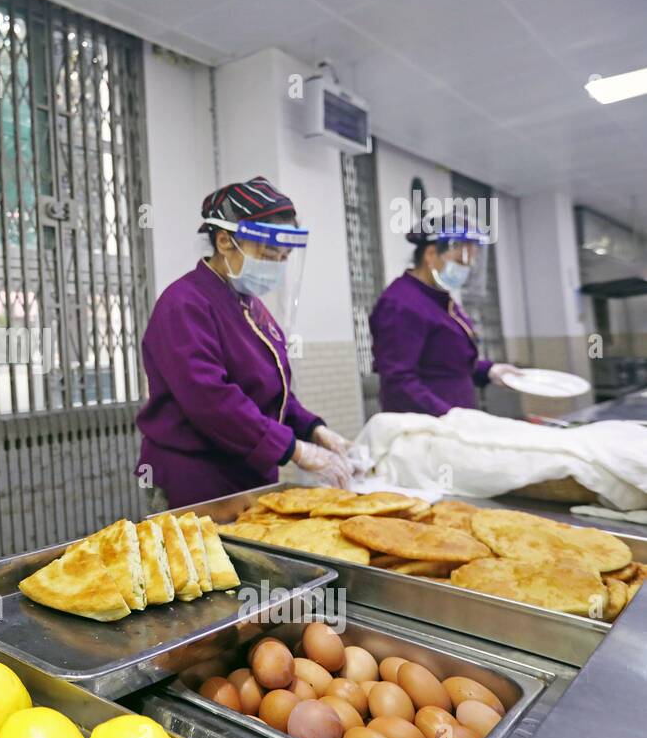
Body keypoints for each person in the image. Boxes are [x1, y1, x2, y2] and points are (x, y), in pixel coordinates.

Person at [136, 177, 352, 511]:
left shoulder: (250, 305)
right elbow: (212, 400)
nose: (276, 267)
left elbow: (271, 390)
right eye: (268, 255)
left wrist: (314, 430)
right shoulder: (184, 304)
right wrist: (294, 450)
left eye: (283, 258)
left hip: (248, 475)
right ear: (224, 241)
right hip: (199, 480)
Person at [370, 221, 520, 416]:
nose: (465, 270)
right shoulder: (401, 304)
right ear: (431, 255)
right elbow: (399, 382)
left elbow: (445, 363)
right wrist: (450, 416)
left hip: (454, 423)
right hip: (426, 428)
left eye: (469, 264)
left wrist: (489, 371)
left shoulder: (438, 299)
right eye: (460, 262)